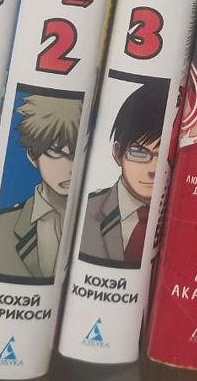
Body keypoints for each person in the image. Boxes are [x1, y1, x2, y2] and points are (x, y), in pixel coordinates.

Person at [0, 92, 81, 281]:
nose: (70, 168)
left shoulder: (96, 222)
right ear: (32, 155)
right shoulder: (0, 227)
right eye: (56, 153)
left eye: (77, 154)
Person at [78, 72, 165, 267]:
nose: (153, 169)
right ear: (118, 153)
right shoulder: (87, 210)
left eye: (163, 155)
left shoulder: (181, 219)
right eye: (139, 152)